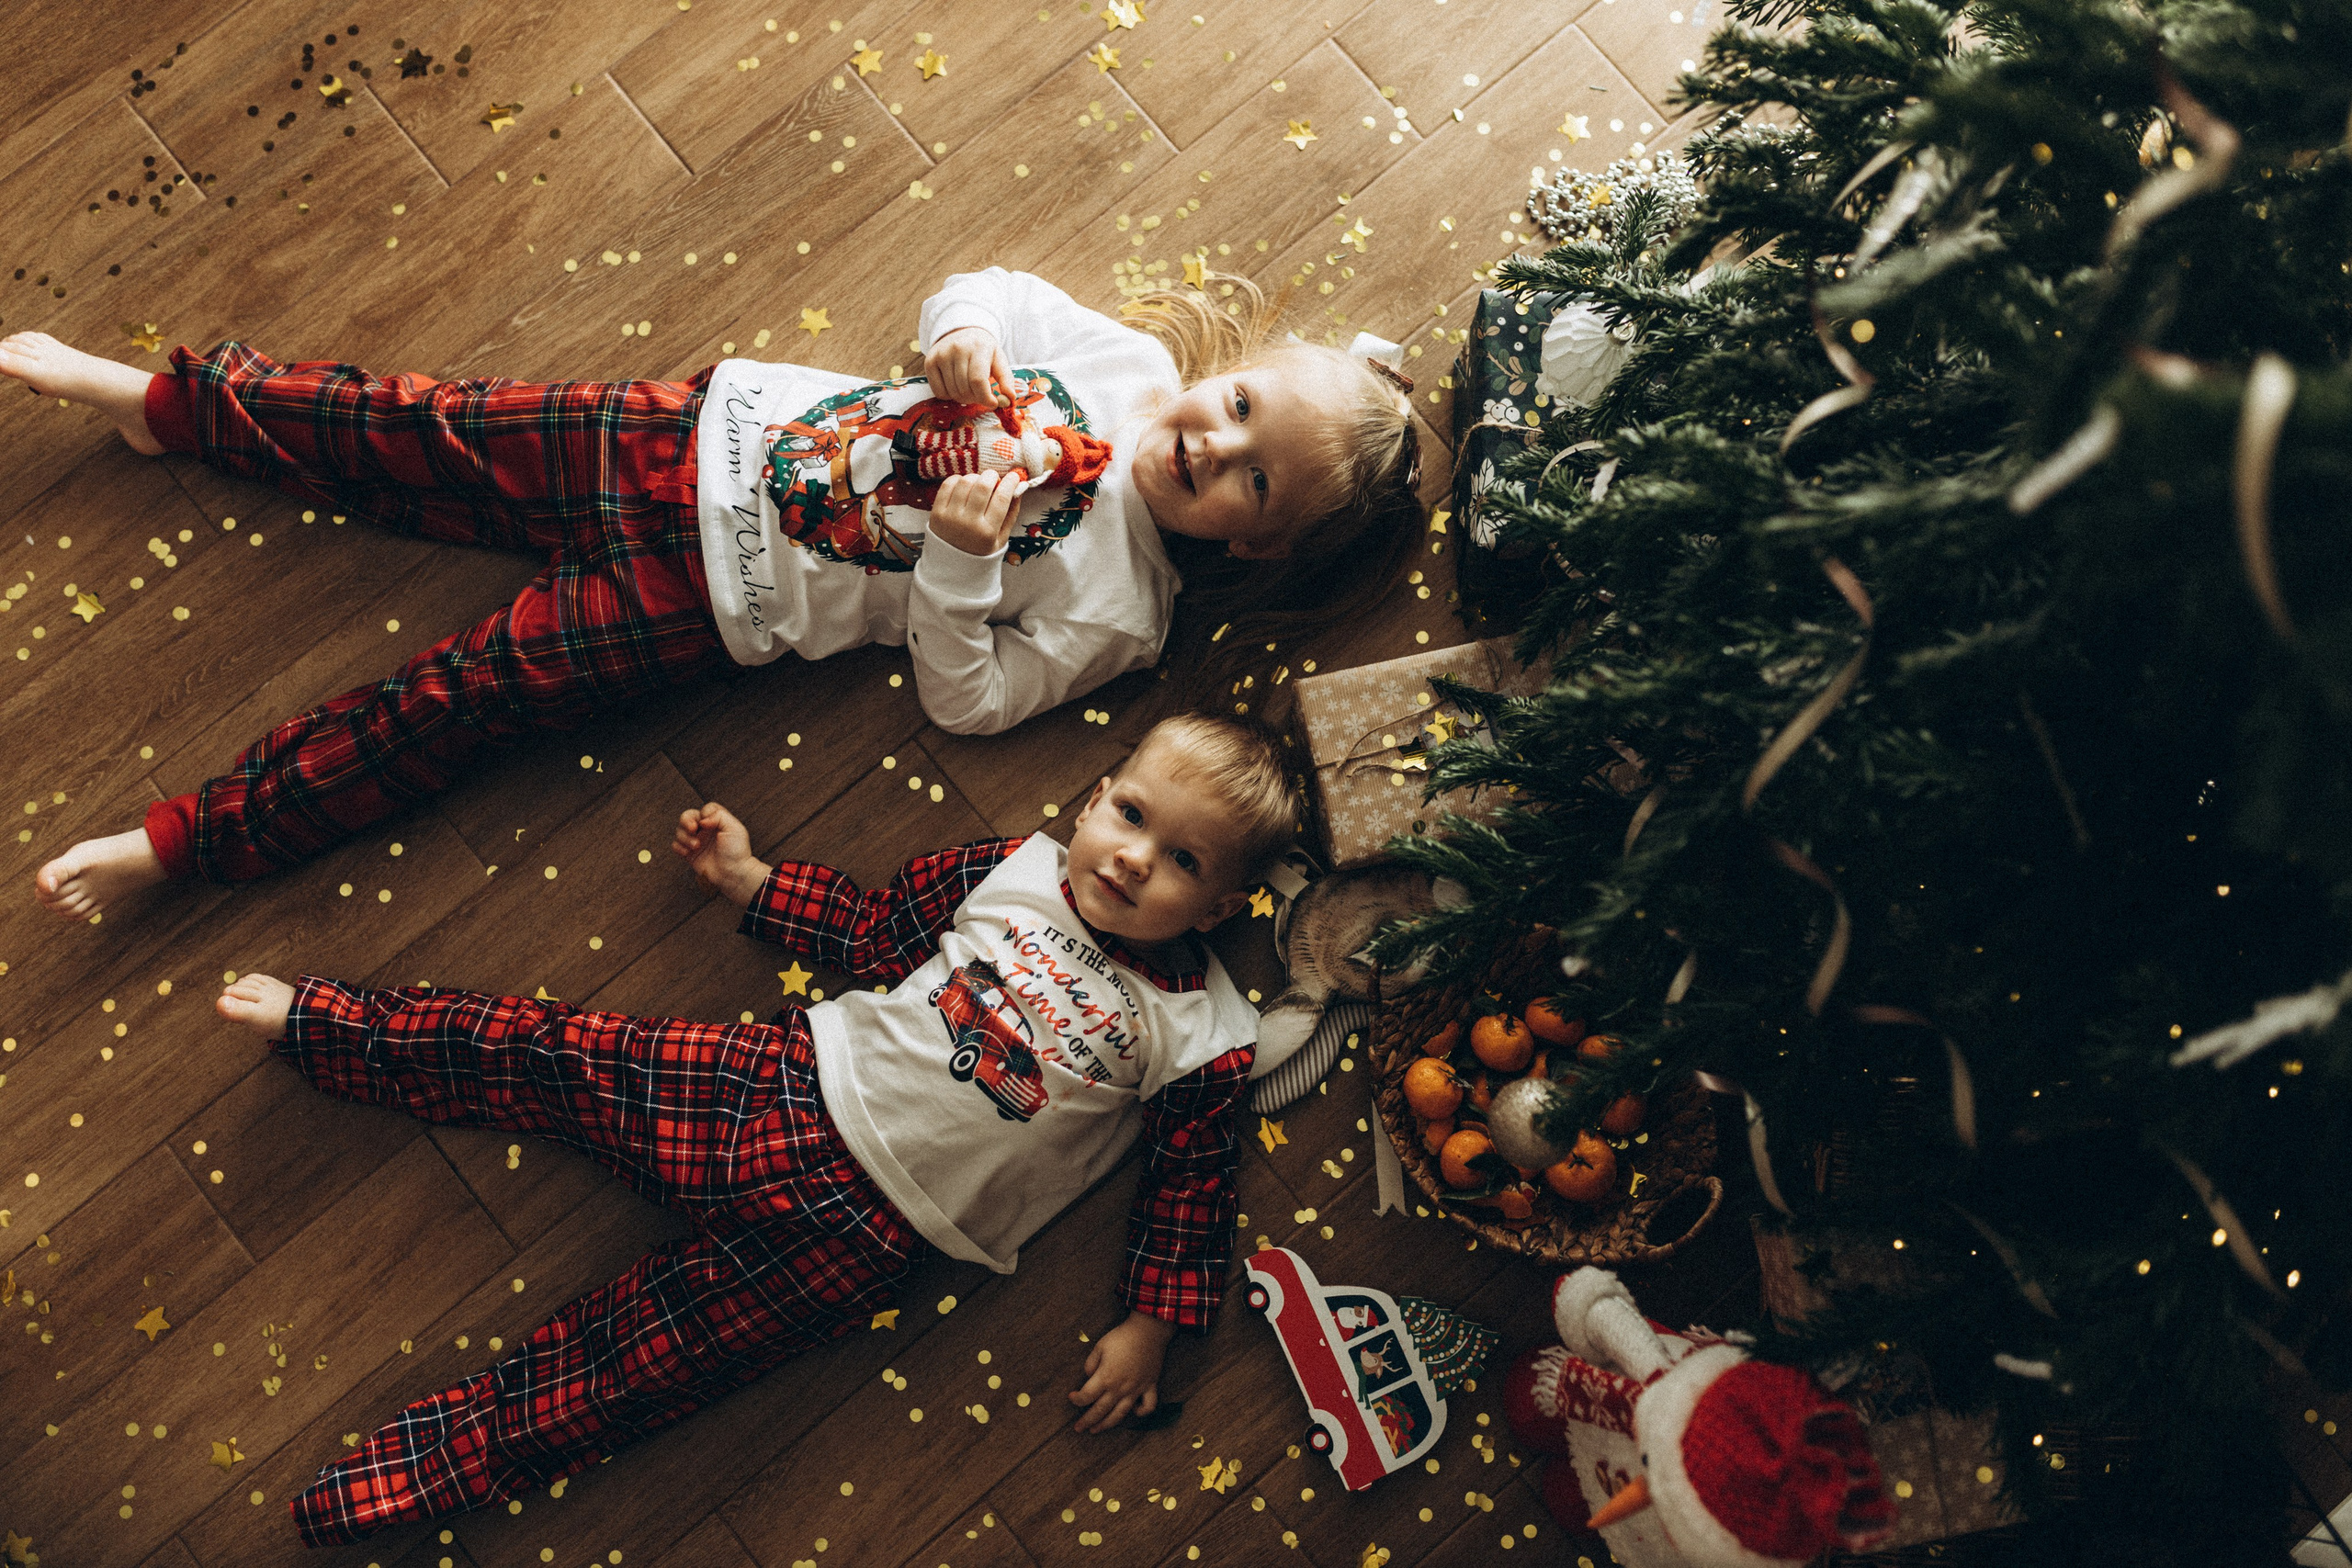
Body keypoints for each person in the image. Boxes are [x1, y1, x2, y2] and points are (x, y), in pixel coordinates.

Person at [1, 267, 1420, 916]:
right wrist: (966, 341)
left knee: (460, 702)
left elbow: (969, 702)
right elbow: (976, 287)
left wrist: (965, 556)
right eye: (1237, 404)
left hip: (712, 599)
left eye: (1251, 480)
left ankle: (194, 839)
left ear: (1260, 548)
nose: (1210, 441)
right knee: (414, 427)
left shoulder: (1124, 617)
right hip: (690, 430)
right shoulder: (1122, 370)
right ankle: (168, 404)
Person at [209, 712, 1297, 1544]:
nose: (1133, 858)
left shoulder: (1200, 1030)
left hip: (873, 1242)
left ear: (1214, 912)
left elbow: (1190, 1185)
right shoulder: (1011, 873)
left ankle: (413, 1481)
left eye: (1185, 863)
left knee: (636, 1366)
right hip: (775, 1092)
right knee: (556, 1057)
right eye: (1132, 816)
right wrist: (749, 881)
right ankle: (337, 1027)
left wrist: (1153, 1324)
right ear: (1098, 796)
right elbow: (874, 931)